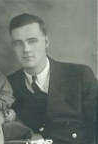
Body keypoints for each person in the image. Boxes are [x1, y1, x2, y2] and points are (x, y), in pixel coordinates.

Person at [6, 13, 97, 144]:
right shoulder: (7, 84)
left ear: (46, 41)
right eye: (19, 43)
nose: (26, 49)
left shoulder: (79, 76)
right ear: (13, 47)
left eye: (32, 41)